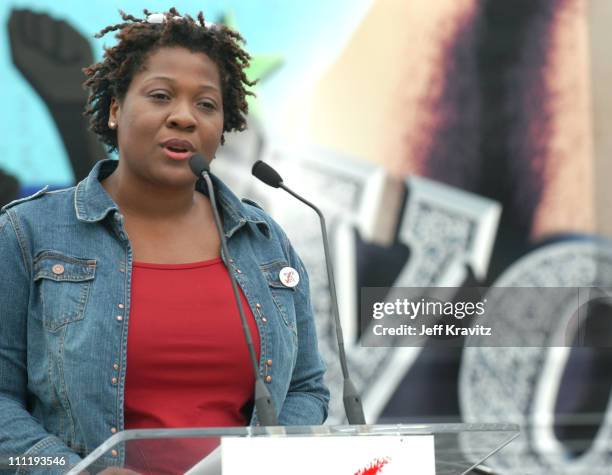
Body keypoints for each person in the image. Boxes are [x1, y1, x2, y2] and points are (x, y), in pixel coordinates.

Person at [0, 8, 329, 474]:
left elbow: (306, 388)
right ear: (115, 108)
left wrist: (265, 462)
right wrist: (74, 471)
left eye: (206, 105)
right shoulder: (28, 234)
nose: (184, 117)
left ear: (223, 127)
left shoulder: (264, 239)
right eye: (160, 96)